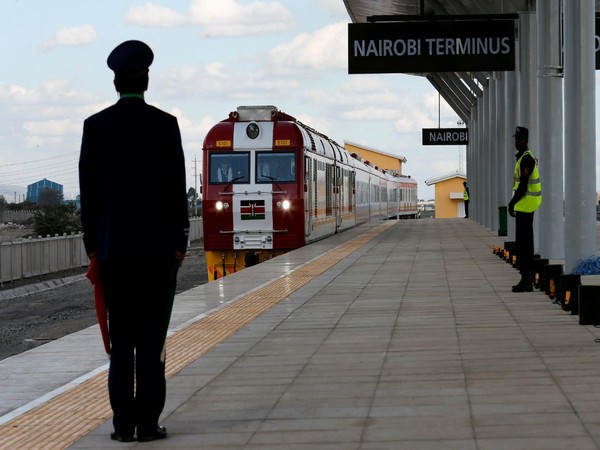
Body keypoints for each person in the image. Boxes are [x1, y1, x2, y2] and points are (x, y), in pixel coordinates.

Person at [79, 40, 189, 442]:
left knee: (122, 343)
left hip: (114, 256)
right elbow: (177, 190)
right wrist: (179, 241)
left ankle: (123, 425)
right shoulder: (165, 125)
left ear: (115, 82)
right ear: (145, 80)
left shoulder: (95, 127)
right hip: (158, 256)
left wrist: (93, 246)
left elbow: (87, 195)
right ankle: (148, 422)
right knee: (152, 342)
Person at [508, 126, 542, 292]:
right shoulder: (522, 158)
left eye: (519, 139)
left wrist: (511, 203)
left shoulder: (526, 159)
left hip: (526, 204)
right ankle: (525, 278)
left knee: (525, 244)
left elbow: (522, 186)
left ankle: (527, 280)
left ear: (525, 140)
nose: (516, 142)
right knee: (523, 243)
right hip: (524, 204)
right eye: (515, 139)